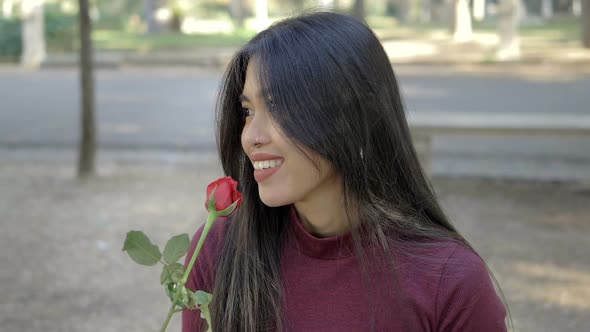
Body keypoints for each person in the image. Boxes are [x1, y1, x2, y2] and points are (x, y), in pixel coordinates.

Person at [182, 12, 509, 332]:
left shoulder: (450, 281)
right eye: (248, 111)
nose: (251, 136)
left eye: (280, 106)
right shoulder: (217, 250)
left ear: (353, 116)